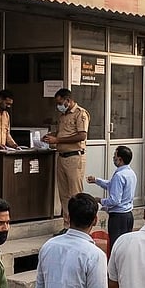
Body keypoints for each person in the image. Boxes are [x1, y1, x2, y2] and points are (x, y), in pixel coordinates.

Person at [43, 89, 90, 222]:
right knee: (64, 194)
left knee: (75, 194)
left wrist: (57, 140)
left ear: (67, 100)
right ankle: (67, 225)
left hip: (74, 157)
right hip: (62, 156)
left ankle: (79, 225)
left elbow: (82, 135)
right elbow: (61, 133)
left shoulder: (80, 113)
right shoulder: (63, 116)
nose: (58, 106)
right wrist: (50, 137)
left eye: (60, 102)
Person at [86, 145, 137, 248]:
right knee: (125, 246)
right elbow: (111, 185)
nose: (113, 158)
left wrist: (100, 200)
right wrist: (96, 180)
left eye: (115, 156)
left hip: (118, 217)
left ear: (120, 159)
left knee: (116, 246)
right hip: (128, 215)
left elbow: (114, 200)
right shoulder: (130, 173)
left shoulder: (119, 175)